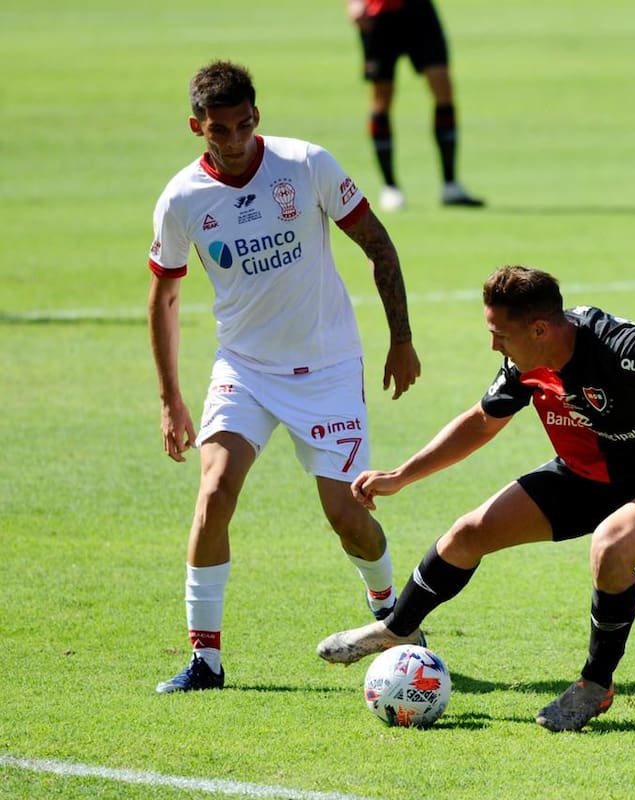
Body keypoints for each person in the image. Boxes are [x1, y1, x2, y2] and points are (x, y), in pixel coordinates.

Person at [315, 265, 635, 731]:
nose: (493, 345)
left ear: (540, 329)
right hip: (587, 477)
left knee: (612, 547)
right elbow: (483, 420)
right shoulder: (526, 361)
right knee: (468, 533)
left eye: (500, 334)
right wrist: (401, 476)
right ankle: (397, 627)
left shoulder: (616, 347)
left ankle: (595, 684)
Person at [147, 60, 422, 693]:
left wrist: (400, 340)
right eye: (220, 130)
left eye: (244, 125)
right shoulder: (183, 199)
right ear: (198, 127)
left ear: (257, 117)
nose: (236, 140)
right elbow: (163, 300)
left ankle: (393, 618)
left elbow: (379, 245)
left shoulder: (306, 165)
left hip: (327, 367)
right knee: (214, 493)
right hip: (243, 370)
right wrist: (171, 400)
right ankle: (205, 660)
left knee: (346, 513)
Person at [346, 0, 484, 210]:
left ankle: (450, 185)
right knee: (382, 97)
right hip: (378, 13)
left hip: (418, 10)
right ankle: (390, 187)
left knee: (443, 87)